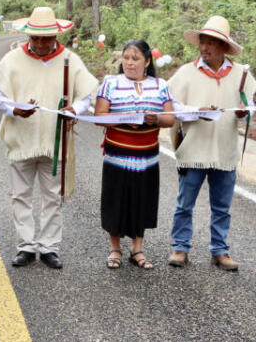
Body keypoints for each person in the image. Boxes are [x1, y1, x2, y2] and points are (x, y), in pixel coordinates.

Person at [0, 7, 98, 269]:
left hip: (54, 139)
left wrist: (75, 109)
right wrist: (14, 109)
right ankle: (25, 245)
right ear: (28, 34)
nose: (40, 43)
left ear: (56, 36)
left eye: (46, 38)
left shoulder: (70, 60)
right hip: (21, 138)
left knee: (53, 196)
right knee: (20, 195)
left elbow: (87, 95)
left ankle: (49, 246)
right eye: (35, 37)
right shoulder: (13, 59)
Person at [167, 16, 255, 271]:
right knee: (185, 203)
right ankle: (180, 247)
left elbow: (251, 105)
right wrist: (196, 112)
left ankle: (220, 250)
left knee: (222, 206)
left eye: (211, 44)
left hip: (224, 151)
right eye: (202, 43)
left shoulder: (242, 75)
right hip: (194, 149)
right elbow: (169, 105)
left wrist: (244, 112)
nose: (204, 48)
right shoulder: (186, 72)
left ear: (224, 47)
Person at [95, 39, 175, 270]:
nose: (129, 63)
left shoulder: (160, 85)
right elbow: (99, 115)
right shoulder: (110, 83)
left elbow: (170, 118)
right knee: (115, 199)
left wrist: (155, 119)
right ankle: (115, 249)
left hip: (147, 157)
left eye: (135, 58)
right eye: (126, 58)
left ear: (147, 61)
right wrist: (125, 117)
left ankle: (137, 249)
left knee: (142, 199)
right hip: (117, 154)